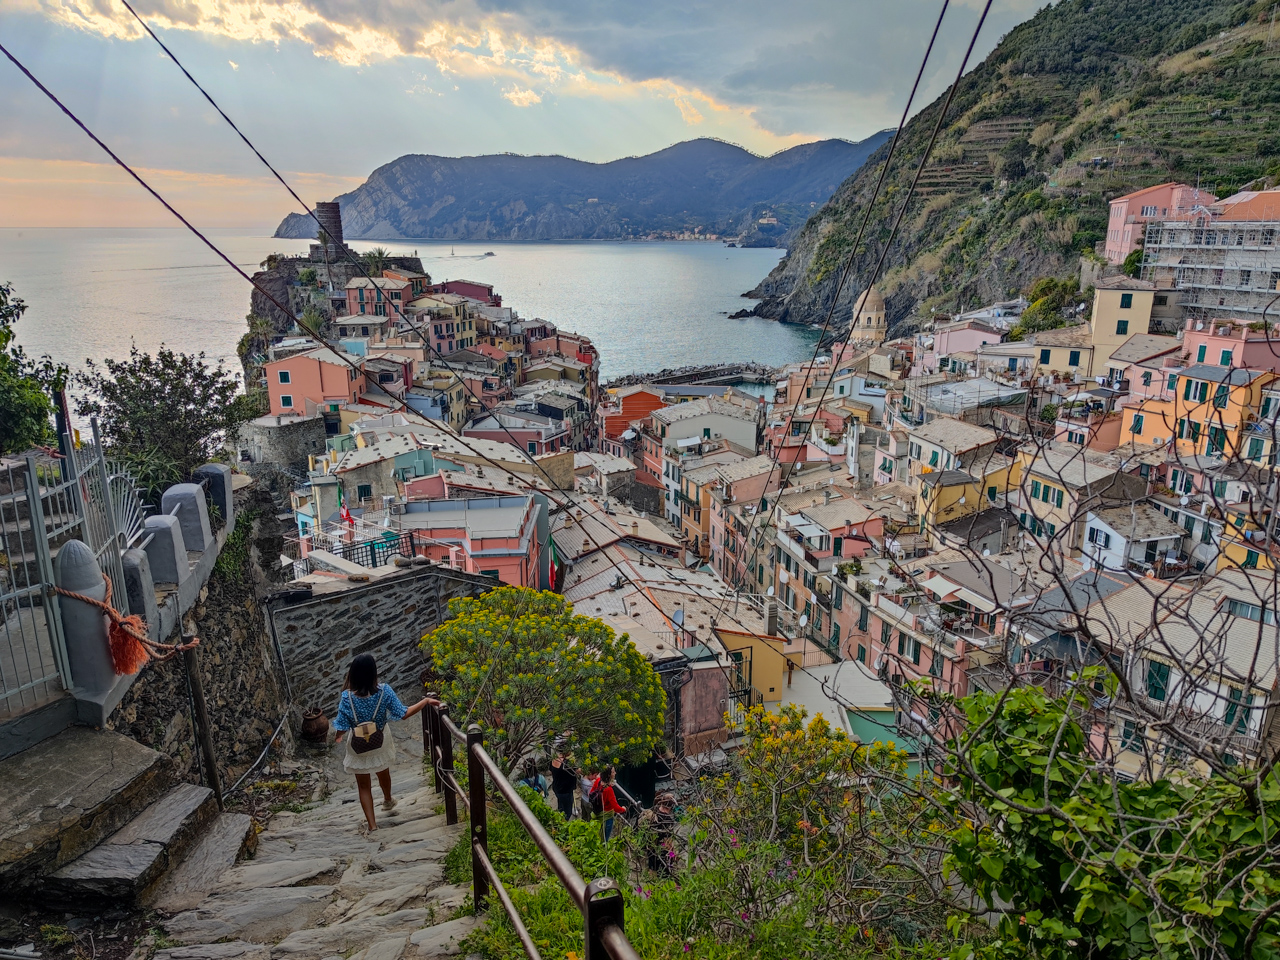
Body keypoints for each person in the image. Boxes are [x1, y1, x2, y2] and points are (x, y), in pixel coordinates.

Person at [333, 653, 431, 833]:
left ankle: (372, 825)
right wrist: (425, 701)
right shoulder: (384, 691)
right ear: (373, 672)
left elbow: (341, 725)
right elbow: (403, 713)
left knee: (363, 786)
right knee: (383, 772)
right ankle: (387, 799)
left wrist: (338, 736)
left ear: (353, 673)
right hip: (380, 741)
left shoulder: (347, 697)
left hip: (357, 745)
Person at [590, 766, 628, 841]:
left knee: (598, 835)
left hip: (597, 813)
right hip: (606, 816)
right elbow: (616, 808)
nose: (615, 773)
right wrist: (623, 809)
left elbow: (591, 793)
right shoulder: (609, 790)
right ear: (609, 775)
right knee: (605, 838)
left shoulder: (598, 781)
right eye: (613, 772)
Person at [550, 750, 578, 820]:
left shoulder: (554, 759)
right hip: (565, 791)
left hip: (557, 788)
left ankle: (559, 817)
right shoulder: (566, 764)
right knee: (567, 812)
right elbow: (578, 771)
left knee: (561, 805)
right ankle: (563, 823)